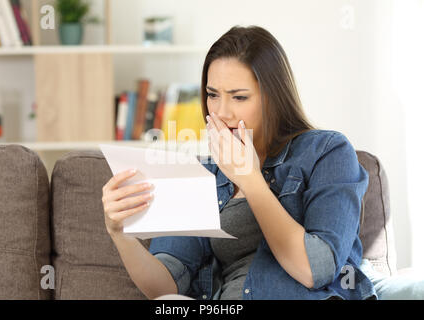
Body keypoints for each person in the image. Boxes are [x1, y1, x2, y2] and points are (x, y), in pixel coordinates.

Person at [102, 25, 377, 300]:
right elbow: (166, 285)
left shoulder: (326, 152)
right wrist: (120, 235)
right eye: (212, 95)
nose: (222, 111)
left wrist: (250, 180)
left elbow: (314, 270)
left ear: (273, 98)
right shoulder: (204, 174)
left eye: (239, 97)